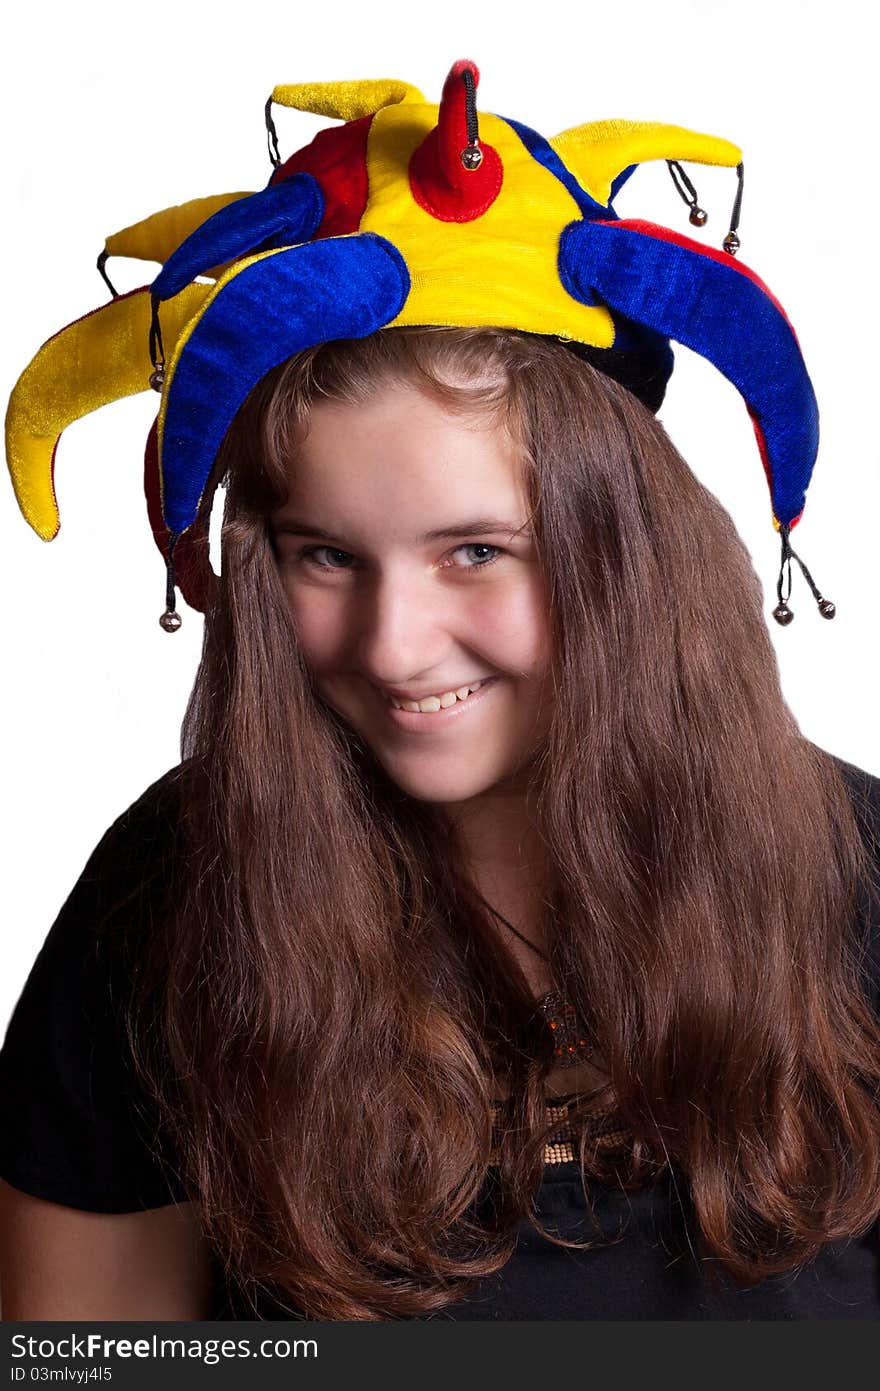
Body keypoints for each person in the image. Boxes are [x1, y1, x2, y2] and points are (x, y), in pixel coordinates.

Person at [2, 62, 879, 1322]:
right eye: (324, 555)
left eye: (475, 550)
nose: (396, 644)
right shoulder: (172, 892)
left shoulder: (860, 876)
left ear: (623, 551)